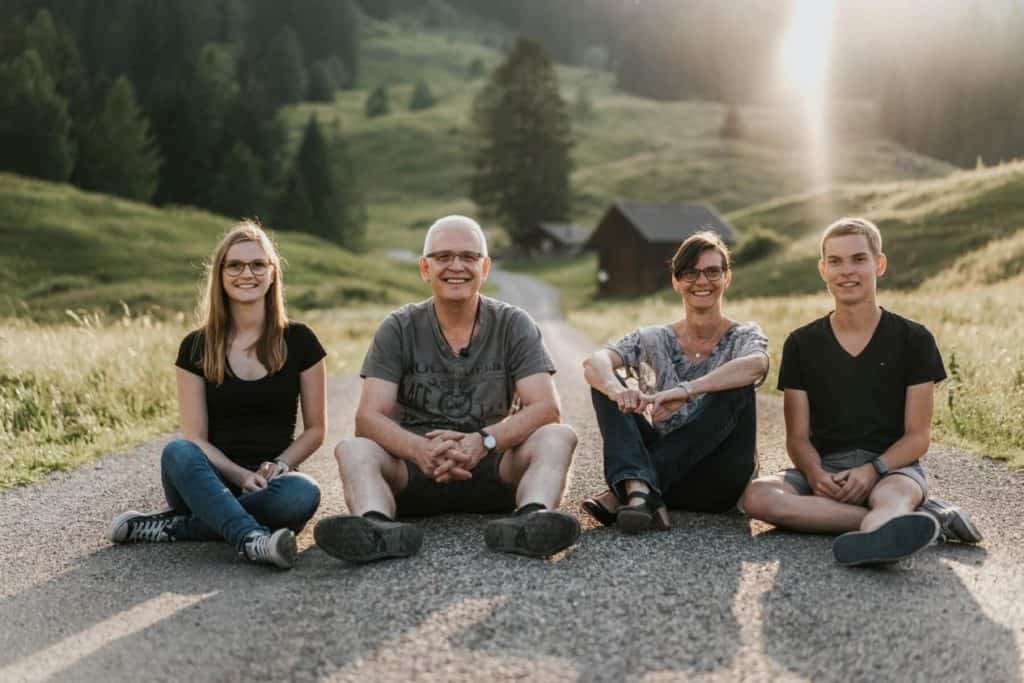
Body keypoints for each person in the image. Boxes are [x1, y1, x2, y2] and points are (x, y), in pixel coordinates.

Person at [314, 215, 579, 563]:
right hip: (413, 470)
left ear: (484, 268)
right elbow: (368, 417)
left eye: (469, 257)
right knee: (353, 449)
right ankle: (375, 527)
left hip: (495, 466)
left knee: (558, 435)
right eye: (443, 257)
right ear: (425, 268)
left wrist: (483, 442)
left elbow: (545, 407)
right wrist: (418, 449)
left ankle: (531, 521)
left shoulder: (514, 323)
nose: (457, 266)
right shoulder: (397, 327)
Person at [740, 217, 982, 567]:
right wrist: (815, 476)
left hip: (890, 469)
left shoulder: (915, 339)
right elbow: (797, 438)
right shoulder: (801, 343)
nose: (846, 271)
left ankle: (890, 518)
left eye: (858, 259)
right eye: (835, 261)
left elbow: (917, 438)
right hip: (825, 470)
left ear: (878, 264)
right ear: (822, 269)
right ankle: (913, 522)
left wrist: (872, 470)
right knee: (758, 497)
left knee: (893, 495)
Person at [109, 220, 326, 570]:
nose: (247, 273)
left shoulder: (301, 341)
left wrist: (281, 465)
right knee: (178, 451)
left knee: (304, 493)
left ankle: (180, 527)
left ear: (272, 274)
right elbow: (195, 439)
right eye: (235, 265)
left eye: (258, 264)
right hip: (203, 481)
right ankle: (253, 539)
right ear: (221, 275)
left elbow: (316, 430)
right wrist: (240, 476)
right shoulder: (195, 346)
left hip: (269, 488)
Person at [581, 231, 768, 533]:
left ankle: (630, 487)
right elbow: (594, 363)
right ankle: (642, 492)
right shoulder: (654, 338)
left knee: (737, 385)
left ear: (726, 278)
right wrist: (620, 391)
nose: (702, 281)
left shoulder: (744, 336)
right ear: (676, 281)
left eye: (712, 271)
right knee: (605, 383)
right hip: (672, 481)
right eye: (691, 273)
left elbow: (756, 366)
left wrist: (687, 390)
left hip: (719, 483)